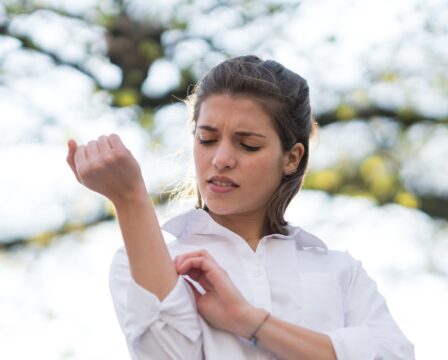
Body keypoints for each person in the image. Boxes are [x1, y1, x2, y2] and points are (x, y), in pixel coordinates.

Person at [66, 55, 415, 359]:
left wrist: (249, 321)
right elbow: (166, 354)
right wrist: (130, 200)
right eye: (207, 139)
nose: (220, 159)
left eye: (247, 145)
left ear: (292, 158)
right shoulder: (144, 261)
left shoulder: (339, 272)